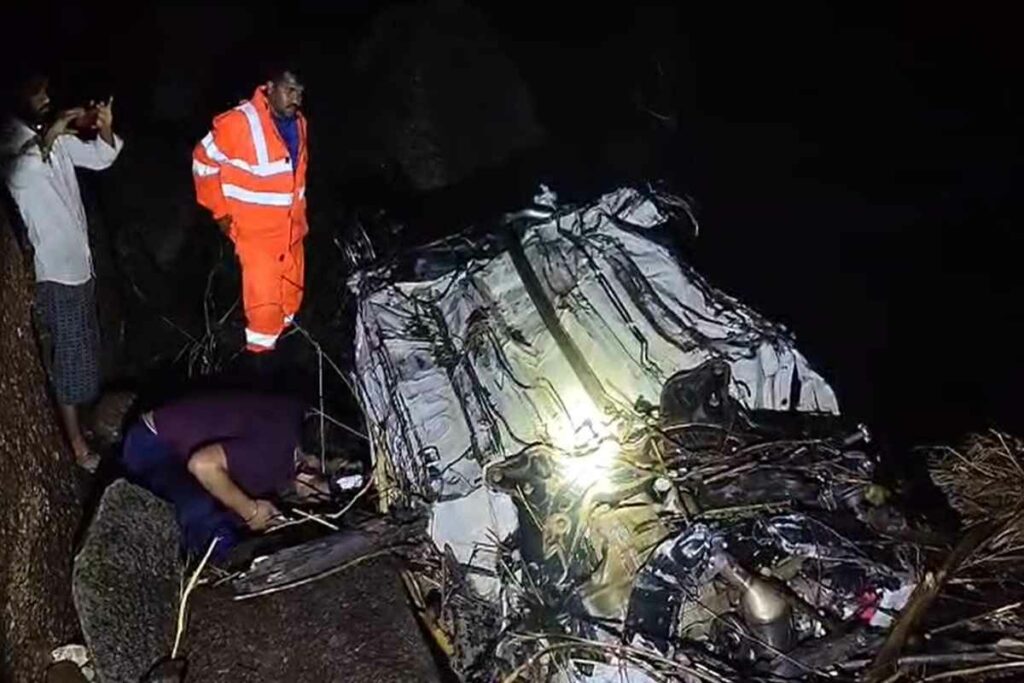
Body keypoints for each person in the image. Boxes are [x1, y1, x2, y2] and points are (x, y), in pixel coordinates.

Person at [1, 71, 122, 470]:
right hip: (54, 270)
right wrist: (53, 133)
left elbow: (102, 158)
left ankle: (82, 430)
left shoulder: (48, 139)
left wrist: (103, 128)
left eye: (45, 91)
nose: (44, 98)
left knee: (83, 349)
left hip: (79, 263)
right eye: (36, 92)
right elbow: (23, 173)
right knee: (69, 356)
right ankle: (75, 446)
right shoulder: (14, 142)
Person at [120, 391, 328, 558]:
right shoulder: (275, 453)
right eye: (320, 473)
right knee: (203, 511)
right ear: (308, 464)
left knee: (234, 501)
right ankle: (226, 562)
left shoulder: (300, 418)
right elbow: (202, 465)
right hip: (152, 444)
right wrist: (251, 511)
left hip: (185, 441)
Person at [191, 67, 308, 355]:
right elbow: (202, 161)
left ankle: (282, 357)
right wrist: (219, 212)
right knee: (263, 316)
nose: (296, 98)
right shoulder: (239, 122)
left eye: (300, 92)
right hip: (258, 239)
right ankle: (260, 374)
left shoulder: (300, 124)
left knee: (290, 303)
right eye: (289, 90)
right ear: (269, 87)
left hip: (292, 235)